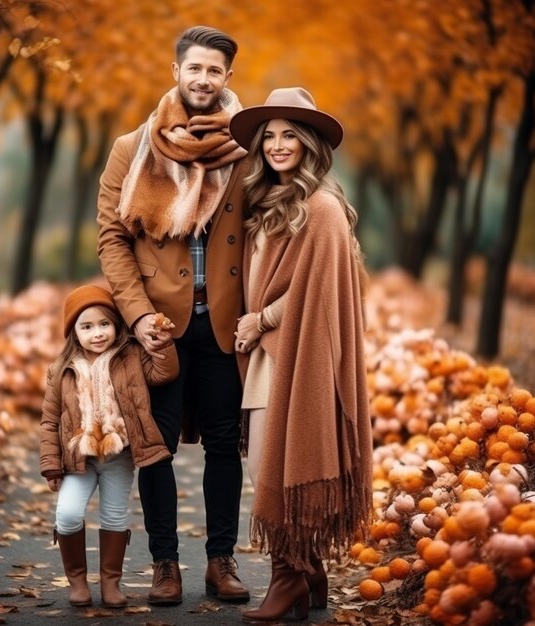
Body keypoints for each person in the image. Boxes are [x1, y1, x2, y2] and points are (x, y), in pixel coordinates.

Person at [96, 26, 250, 605]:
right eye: (195, 68)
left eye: (215, 70)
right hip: (157, 326)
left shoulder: (248, 149)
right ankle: (165, 564)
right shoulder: (131, 148)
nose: (204, 79)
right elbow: (112, 238)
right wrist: (135, 317)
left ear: (228, 78)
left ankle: (220, 560)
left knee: (222, 442)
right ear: (176, 70)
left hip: (225, 324)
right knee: (154, 446)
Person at [228, 87, 373, 622]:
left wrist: (260, 319)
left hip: (297, 353)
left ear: (310, 143)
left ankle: (287, 576)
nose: (279, 145)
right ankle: (309, 570)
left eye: (291, 135)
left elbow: (320, 289)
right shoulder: (267, 203)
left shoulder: (323, 208)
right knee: (265, 465)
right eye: (270, 136)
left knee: (275, 467)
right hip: (268, 357)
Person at [39, 284, 179, 607]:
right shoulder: (61, 370)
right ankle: (77, 581)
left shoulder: (130, 357)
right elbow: (48, 421)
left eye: (104, 323)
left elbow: (165, 372)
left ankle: (110, 582)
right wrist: (50, 463)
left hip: (119, 455)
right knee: (69, 514)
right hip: (79, 459)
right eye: (86, 327)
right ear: (73, 332)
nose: (97, 333)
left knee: (114, 516)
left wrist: (164, 344)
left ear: (116, 325)